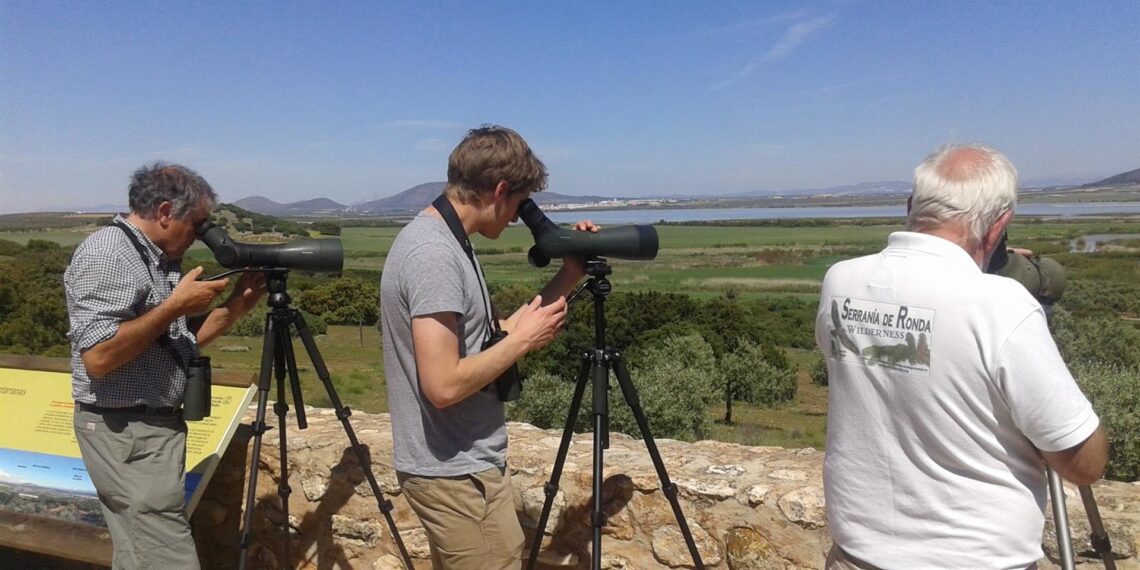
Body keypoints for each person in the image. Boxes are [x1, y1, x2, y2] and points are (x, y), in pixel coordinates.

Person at [815, 144, 1108, 570]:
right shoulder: (1001, 305)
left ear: (911, 207)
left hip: (856, 556)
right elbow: (1083, 464)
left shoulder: (840, 280)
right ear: (999, 226)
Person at [380, 125, 597, 569]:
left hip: (458, 469)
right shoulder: (434, 255)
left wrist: (570, 273)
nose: (517, 217)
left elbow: (486, 336)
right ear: (499, 191)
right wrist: (521, 343)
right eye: (518, 204)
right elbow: (442, 385)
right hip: (456, 475)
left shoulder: (449, 241)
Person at [65, 163, 265, 569]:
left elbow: (173, 344)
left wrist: (237, 306)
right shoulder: (110, 254)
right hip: (126, 433)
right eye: (197, 223)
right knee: (166, 558)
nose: (200, 235)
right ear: (164, 212)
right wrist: (174, 305)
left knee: (140, 557)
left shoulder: (154, 258)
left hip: (144, 432)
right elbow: (99, 357)